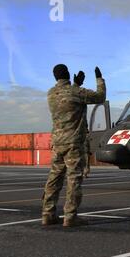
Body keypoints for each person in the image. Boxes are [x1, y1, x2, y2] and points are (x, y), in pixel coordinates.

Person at [42, 64, 106, 227]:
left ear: (55, 77)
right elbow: (100, 97)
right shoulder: (76, 92)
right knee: (73, 179)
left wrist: (76, 85)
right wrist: (99, 79)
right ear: (68, 74)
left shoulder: (51, 94)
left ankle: (47, 214)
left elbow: (68, 100)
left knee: (54, 178)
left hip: (57, 143)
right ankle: (70, 216)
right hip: (73, 143)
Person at [72, 71, 91, 178]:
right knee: (83, 152)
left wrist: (76, 84)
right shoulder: (80, 94)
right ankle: (84, 170)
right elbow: (100, 96)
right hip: (81, 132)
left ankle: (83, 170)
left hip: (73, 132)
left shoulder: (56, 94)